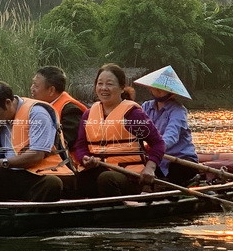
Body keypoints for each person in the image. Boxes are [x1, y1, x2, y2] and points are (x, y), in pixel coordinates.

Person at [0, 81, 68, 202]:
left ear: (8, 103)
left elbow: (37, 155)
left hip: (37, 175)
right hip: (11, 173)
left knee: (52, 183)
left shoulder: (37, 113)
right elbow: (2, 154)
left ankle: (25, 218)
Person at [72, 64, 165, 197]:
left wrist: (150, 167)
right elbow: (80, 146)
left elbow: (158, 143)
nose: (104, 88)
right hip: (98, 170)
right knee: (75, 179)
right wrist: (84, 158)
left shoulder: (132, 115)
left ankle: (115, 209)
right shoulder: (88, 114)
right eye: (100, 84)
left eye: (109, 84)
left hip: (129, 176)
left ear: (122, 88)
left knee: (106, 178)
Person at [140, 85, 199, 186]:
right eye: (155, 87)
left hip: (181, 159)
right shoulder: (146, 107)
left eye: (163, 88)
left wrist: (156, 147)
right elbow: (137, 129)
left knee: (177, 170)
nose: (158, 90)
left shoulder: (178, 110)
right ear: (150, 88)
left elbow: (171, 136)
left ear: (172, 92)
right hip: (157, 159)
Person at [29, 66, 87, 151]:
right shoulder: (39, 107)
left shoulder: (71, 111)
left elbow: (65, 143)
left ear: (51, 90)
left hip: (65, 162)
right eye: (33, 84)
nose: (32, 88)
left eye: (36, 85)